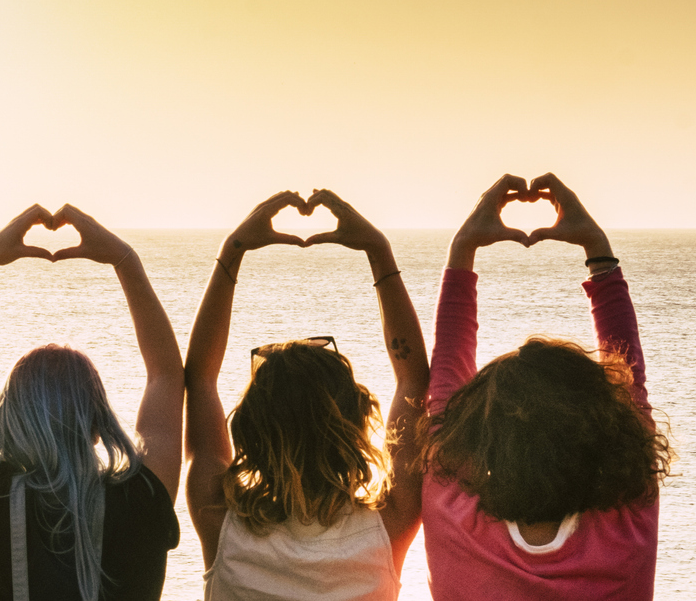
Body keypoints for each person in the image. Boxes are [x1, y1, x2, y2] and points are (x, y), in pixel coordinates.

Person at [420, 174, 671, 600]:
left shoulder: (453, 510)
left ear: (479, 433)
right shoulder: (626, 518)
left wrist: (464, 248)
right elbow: (631, 383)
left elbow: (445, 376)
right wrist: (597, 248)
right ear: (607, 426)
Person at [183, 190, 430, 600]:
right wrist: (378, 252)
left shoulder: (221, 522)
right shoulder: (387, 528)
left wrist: (234, 250)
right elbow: (414, 383)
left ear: (250, 428)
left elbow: (200, 381)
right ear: (355, 421)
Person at [0, 204, 185, 601]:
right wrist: (125, 261)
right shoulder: (141, 497)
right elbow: (168, 377)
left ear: (10, 418)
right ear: (98, 425)